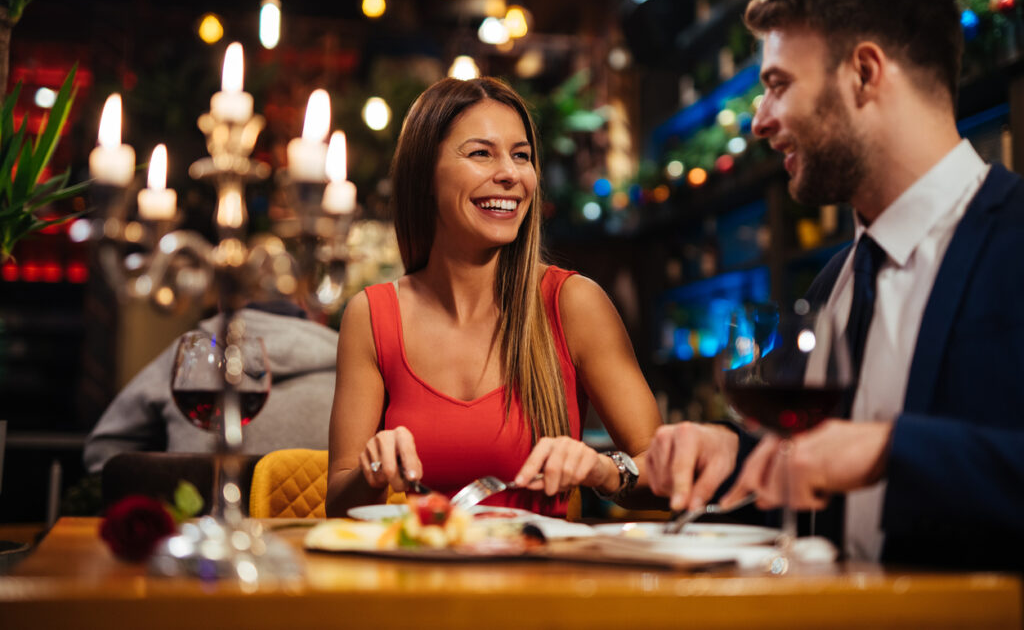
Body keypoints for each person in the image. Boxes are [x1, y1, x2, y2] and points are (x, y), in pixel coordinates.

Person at [647, 0, 1024, 569]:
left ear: (865, 73)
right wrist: (731, 454)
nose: (760, 122)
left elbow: (870, 453)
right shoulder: (836, 282)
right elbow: (817, 476)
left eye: (777, 86)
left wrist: (891, 451)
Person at [325, 77, 672, 517]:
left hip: (539, 579)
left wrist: (604, 471)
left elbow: (664, 478)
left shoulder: (572, 303)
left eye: (521, 155)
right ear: (425, 175)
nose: (510, 173)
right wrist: (370, 471)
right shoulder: (372, 316)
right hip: (420, 579)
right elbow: (337, 504)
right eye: (480, 153)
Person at [83, 300, 339, 473]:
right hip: (312, 530)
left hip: (191, 522)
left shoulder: (191, 351)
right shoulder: (352, 357)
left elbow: (104, 449)